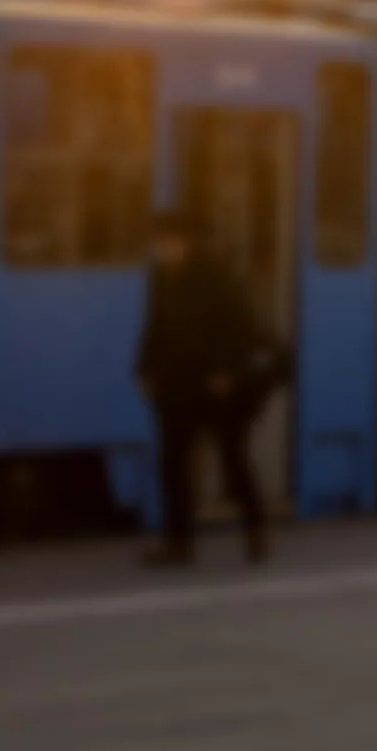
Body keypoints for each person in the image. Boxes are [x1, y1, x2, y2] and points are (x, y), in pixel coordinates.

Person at [134, 211, 270, 567]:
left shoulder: (215, 276)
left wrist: (225, 369)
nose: (161, 250)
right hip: (176, 382)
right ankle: (179, 542)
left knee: (230, 457)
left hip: (215, 384)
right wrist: (145, 369)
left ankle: (256, 528)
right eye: (158, 243)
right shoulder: (160, 277)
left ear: (185, 242)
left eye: (167, 242)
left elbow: (239, 325)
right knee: (173, 463)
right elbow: (155, 325)